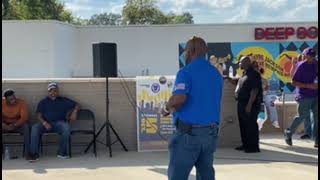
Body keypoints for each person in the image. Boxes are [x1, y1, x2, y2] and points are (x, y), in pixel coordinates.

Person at [162, 36, 223, 180]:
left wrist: (166, 108)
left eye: (186, 51)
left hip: (188, 135)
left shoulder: (185, 72)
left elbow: (179, 99)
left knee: (178, 175)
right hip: (210, 134)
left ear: (191, 51)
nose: (185, 54)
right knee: (206, 175)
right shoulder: (216, 74)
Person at [29, 82, 80, 162]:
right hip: (45, 124)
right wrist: (44, 123)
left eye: (55, 90)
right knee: (35, 128)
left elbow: (77, 104)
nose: (53, 93)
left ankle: (61, 152)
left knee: (66, 127)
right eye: (51, 91)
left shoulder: (63, 100)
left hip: (59, 124)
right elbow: (38, 115)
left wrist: (75, 112)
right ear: (48, 92)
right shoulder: (43, 102)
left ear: (58, 91)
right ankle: (34, 154)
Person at [284, 48, 318, 148]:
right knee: (301, 116)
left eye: (313, 55)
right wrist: (309, 86)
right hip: (304, 96)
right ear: (304, 55)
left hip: (316, 96)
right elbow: (293, 82)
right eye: (309, 56)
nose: (311, 57)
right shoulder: (301, 66)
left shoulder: (316, 64)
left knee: (316, 119)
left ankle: (316, 140)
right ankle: (289, 133)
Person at [228, 56, 263, 153]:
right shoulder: (244, 74)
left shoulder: (254, 74)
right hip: (241, 103)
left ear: (247, 63)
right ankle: (245, 144)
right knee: (243, 125)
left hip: (249, 104)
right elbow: (238, 83)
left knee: (251, 125)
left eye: (241, 62)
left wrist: (249, 104)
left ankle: (253, 147)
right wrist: (227, 78)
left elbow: (254, 90)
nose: (239, 64)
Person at [2, 89, 31, 159]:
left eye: (14, 97)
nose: (13, 100)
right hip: (5, 124)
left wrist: (14, 125)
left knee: (27, 127)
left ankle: (28, 153)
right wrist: (4, 125)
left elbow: (24, 117)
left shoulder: (22, 103)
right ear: (5, 99)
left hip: (17, 124)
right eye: (10, 99)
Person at [290, 54, 313, 140]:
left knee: (311, 115)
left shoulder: (313, 67)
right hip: (302, 96)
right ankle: (308, 132)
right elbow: (292, 77)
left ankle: (311, 133)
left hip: (313, 95)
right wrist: (293, 65)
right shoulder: (299, 66)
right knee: (305, 115)